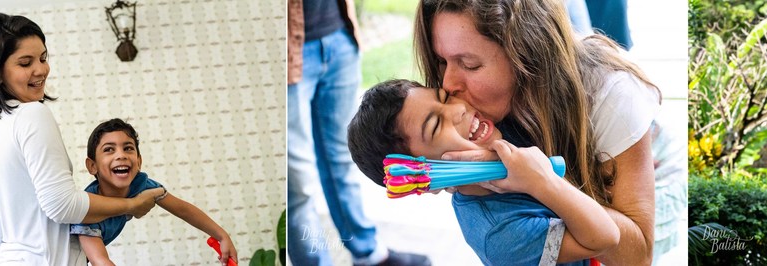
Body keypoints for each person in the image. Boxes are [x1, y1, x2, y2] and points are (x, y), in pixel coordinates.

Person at [414, 0, 687, 264]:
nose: (447, 84)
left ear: (524, 53)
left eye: (470, 64)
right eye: (442, 62)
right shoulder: (470, 99)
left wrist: (539, 180)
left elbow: (635, 255)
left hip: (654, 178)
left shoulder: (612, 95)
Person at [347, 79, 620, 265]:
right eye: (435, 126)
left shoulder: (501, 130)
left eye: (444, 98)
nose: (459, 109)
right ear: (423, 176)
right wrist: (542, 182)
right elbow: (606, 237)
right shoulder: (499, 233)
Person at [0, 13, 162, 265]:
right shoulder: (31, 114)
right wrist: (131, 205)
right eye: (25, 63)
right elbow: (62, 206)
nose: (41, 69)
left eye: (43, 58)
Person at [287, 0, 431, 265]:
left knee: (341, 161)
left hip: (338, 32)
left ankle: (368, 254)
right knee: (298, 185)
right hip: (286, 53)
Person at [66, 119, 236, 265]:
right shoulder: (87, 211)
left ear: (139, 161)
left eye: (128, 148)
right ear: (92, 166)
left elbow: (182, 209)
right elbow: (100, 261)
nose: (121, 155)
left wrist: (221, 236)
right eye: (109, 149)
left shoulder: (141, 184)